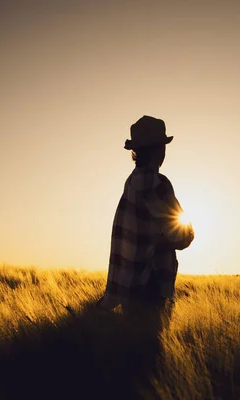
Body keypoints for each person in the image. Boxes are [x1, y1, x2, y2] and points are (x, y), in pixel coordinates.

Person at [96, 115, 194, 332]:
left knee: (134, 352)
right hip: (151, 283)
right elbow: (182, 237)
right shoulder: (157, 183)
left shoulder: (132, 181)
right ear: (160, 150)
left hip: (130, 284)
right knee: (152, 350)